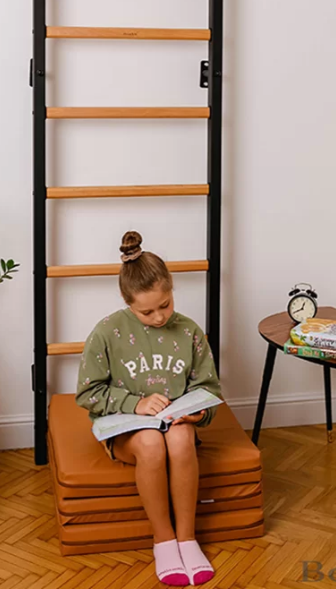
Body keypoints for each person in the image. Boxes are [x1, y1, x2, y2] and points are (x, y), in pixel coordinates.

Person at [75, 230, 224, 586]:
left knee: (180, 436)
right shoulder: (106, 332)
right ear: (128, 302)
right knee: (151, 444)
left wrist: (199, 413)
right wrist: (135, 403)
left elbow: (209, 388)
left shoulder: (189, 331)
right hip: (126, 430)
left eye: (166, 305)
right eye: (147, 311)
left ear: (172, 290)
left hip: (174, 424)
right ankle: (164, 540)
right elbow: (87, 393)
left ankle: (188, 539)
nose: (159, 317)